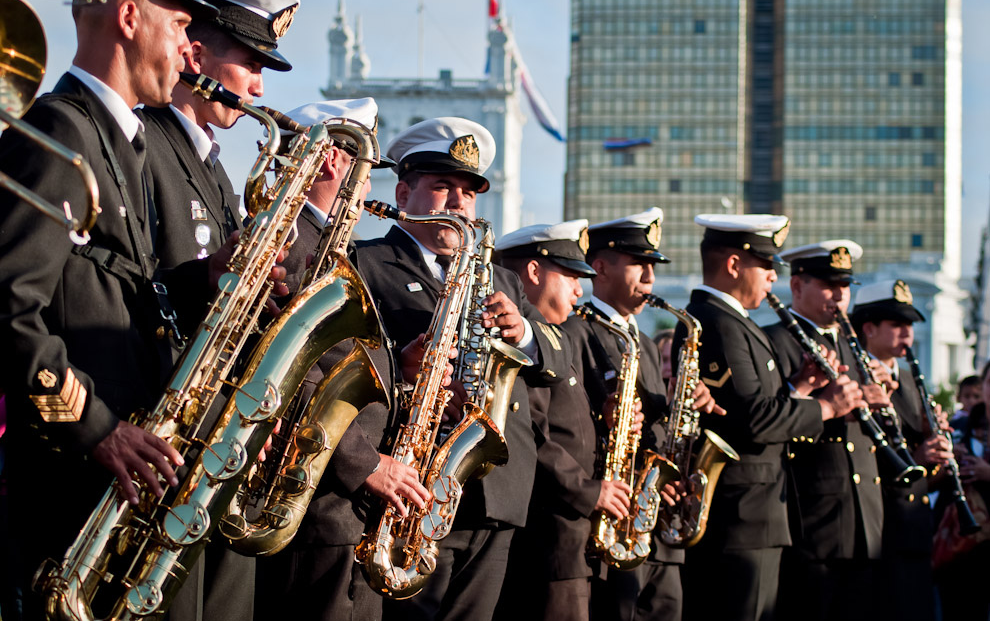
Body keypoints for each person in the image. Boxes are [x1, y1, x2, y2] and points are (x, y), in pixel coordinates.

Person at [0, 0, 218, 618]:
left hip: (115, 492)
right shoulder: (62, 131)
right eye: (180, 26)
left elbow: (102, 290)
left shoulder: (122, 137)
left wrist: (205, 278)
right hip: (72, 491)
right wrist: (98, 428)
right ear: (129, 16)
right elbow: (8, 308)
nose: (189, 48)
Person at [352, 116, 569, 621]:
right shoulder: (365, 261)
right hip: (414, 487)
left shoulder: (499, 278)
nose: (457, 203)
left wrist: (525, 333)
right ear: (403, 193)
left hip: (496, 491)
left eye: (469, 193)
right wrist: (401, 364)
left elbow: (557, 360)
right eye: (442, 187)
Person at [135, 3, 296, 620]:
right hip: (161, 429)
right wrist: (210, 275)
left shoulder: (216, 168)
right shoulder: (146, 140)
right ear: (196, 58)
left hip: (209, 432)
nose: (259, 87)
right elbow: (127, 282)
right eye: (251, 65)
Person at [252, 97, 430, 621]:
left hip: (340, 501)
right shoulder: (293, 239)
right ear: (332, 161)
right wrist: (367, 463)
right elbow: (288, 370)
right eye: (367, 170)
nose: (369, 188)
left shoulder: (327, 245)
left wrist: (401, 366)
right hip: (319, 500)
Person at [674, 214, 864, 621]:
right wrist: (827, 407)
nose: (773, 279)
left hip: (756, 514)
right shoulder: (717, 323)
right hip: (741, 515)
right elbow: (754, 419)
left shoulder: (732, 322)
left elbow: (754, 409)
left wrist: (800, 388)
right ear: (734, 265)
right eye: (766, 266)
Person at [560, 208, 722, 621]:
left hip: (651, 517)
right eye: (639, 263)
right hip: (610, 514)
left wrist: (684, 408)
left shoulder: (645, 342)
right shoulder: (575, 330)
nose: (650, 275)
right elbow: (568, 422)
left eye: (653, 264)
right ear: (599, 267)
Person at [491, 219, 609, 621]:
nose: (580, 289)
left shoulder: (555, 338)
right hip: (546, 535)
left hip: (570, 536)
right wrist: (591, 492)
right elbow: (533, 436)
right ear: (535, 273)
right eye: (571, 276)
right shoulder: (520, 344)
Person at [763, 240, 885, 621]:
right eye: (829, 285)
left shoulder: (853, 345)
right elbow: (775, 421)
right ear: (797, 286)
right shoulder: (776, 340)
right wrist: (829, 405)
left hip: (864, 518)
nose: (840, 296)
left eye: (845, 287)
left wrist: (879, 399)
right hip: (813, 517)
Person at [850, 279, 953, 621]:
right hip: (877, 528)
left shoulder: (910, 378)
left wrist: (937, 453)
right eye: (897, 324)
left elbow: (921, 455)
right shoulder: (852, 376)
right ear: (869, 328)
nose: (907, 334)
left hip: (916, 529)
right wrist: (919, 458)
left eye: (909, 325)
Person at [951, 375, 982, 442]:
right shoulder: (953, 423)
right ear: (958, 398)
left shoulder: (984, 421)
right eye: (967, 396)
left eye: (976, 396)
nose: (971, 401)